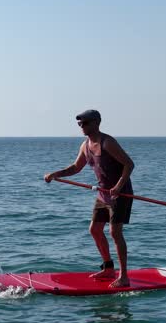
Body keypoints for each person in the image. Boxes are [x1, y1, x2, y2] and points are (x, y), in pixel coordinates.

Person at [44, 109, 135, 287]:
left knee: (115, 233)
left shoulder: (107, 142)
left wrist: (118, 186)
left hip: (120, 194)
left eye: (84, 123)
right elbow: (76, 167)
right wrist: (56, 174)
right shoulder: (85, 145)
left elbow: (129, 164)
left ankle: (124, 277)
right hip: (103, 194)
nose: (81, 127)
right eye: (79, 124)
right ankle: (109, 268)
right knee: (94, 230)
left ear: (96, 123)